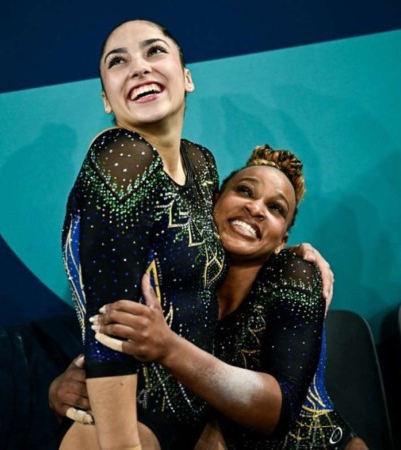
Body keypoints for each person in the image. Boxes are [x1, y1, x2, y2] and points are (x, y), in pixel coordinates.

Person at [54, 145, 367, 449]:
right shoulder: (172, 285)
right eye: (245, 191)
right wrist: (65, 390)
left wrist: (167, 347)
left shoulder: (294, 274)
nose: (256, 208)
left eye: (276, 208)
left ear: (281, 239)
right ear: (212, 205)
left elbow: (276, 413)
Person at [60, 18, 228, 449]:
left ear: (186, 77)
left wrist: (296, 256)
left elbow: (224, 267)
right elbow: (109, 324)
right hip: (130, 427)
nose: (138, 67)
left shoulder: (202, 164)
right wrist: (123, 444)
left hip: (197, 415)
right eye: (118, 62)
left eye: (154, 51)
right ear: (105, 98)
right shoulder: (122, 156)